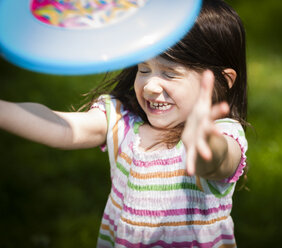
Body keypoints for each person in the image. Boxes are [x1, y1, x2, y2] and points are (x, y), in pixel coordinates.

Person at [0, 0, 248, 247]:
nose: (150, 86)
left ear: (223, 80)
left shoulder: (223, 133)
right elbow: (64, 129)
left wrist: (201, 141)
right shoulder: (122, 121)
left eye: (170, 74)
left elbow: (217, 161)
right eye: (143, 69)